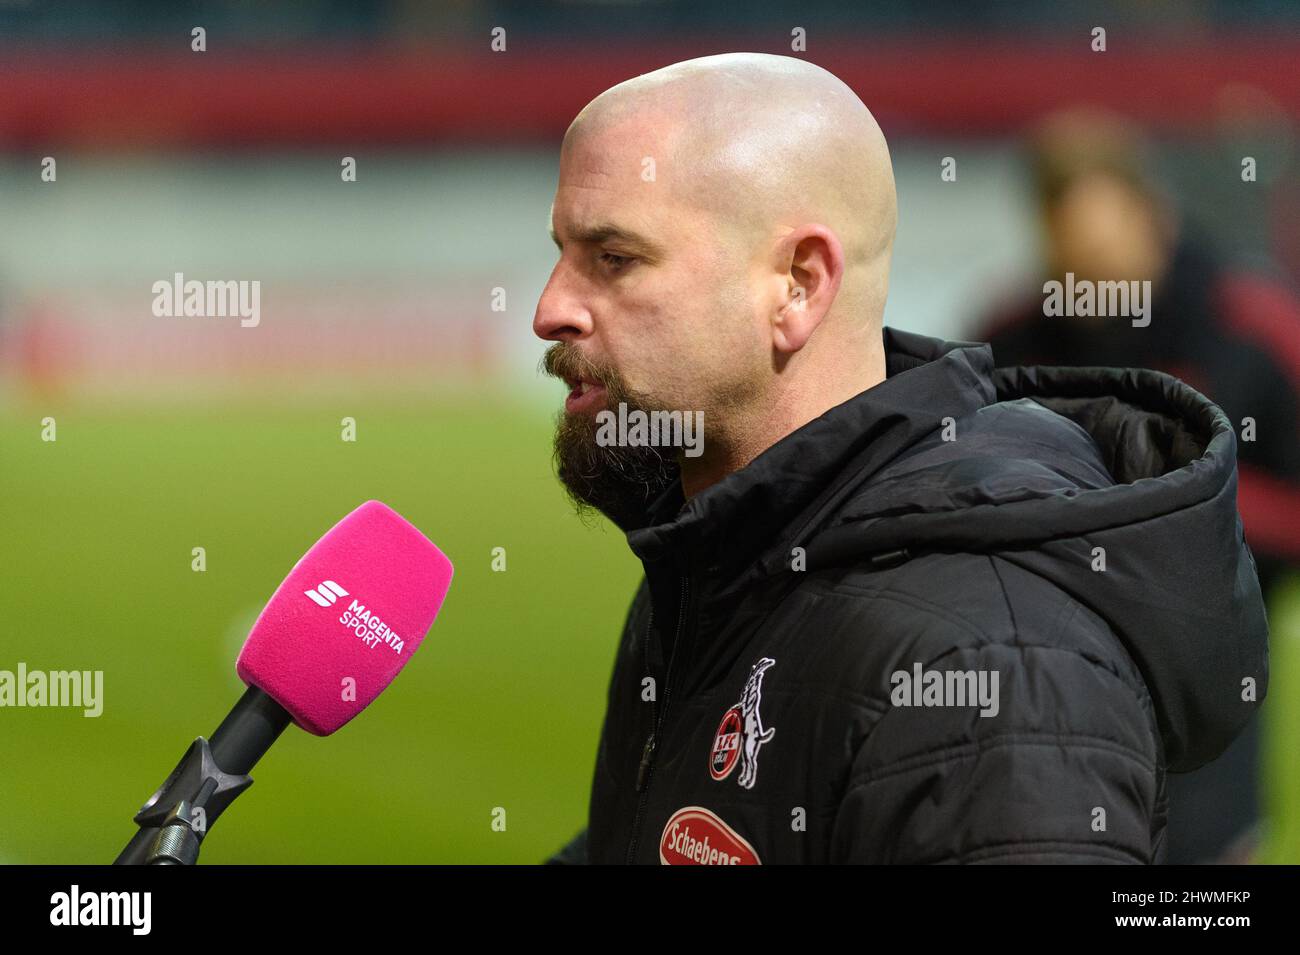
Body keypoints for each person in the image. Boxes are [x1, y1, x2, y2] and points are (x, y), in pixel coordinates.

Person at [534, 53, 1268, 864]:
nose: (549, 309)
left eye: (614, 259)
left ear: (798, 285)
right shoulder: (714, 563)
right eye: (562, 253)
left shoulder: (992, 677)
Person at [976, 109, 1300, 862]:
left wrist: (1194, 504)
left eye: (1103, 245)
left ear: (1151, 214)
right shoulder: (1011, 335)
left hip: (1207, 684)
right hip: (1051, 687)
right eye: (1068, 251)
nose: (1087, 273)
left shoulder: (1248, 325)